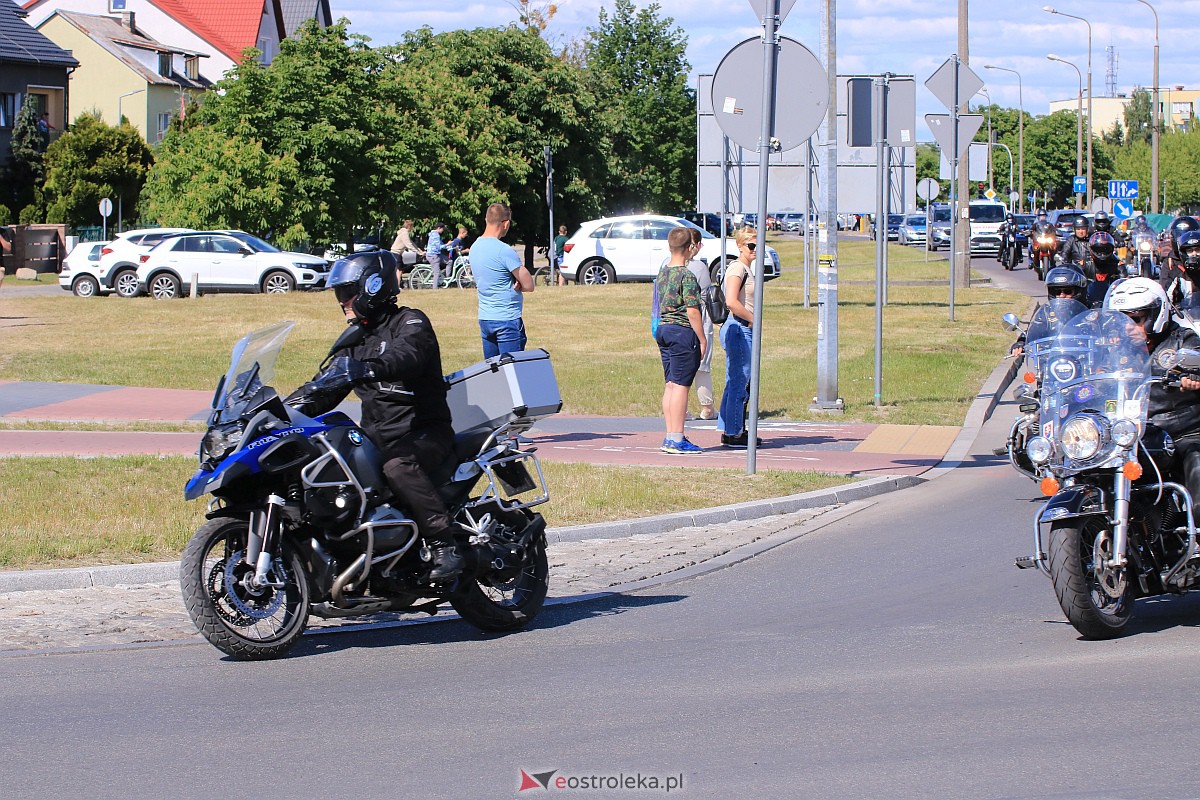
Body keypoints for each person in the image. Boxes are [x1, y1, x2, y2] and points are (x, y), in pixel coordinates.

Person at [285, 250, 463, 580]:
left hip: (424, 431)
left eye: (347, 292)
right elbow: (326, 389)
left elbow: (406, 356)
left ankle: (444, 545)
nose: (342, 301)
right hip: (377, 439)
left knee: (398, 467)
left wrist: (368, 368)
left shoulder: (411, 321)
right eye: (339, 294)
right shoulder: (354, 340)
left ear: (373, 286)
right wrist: (283, 410)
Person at [1106, 277, 1200, 519]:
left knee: (1198, 474)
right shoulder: (1112, 348)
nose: (1127, 326)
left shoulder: (1183, 339)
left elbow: (1196, 358)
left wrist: (1191, 374)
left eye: (1135, 319)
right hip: (1132, 433)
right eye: (1121, 319)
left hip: (1184, 431)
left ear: (1157, 314)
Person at [654, 226, 706, 454]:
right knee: (682, 386)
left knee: (671, 384)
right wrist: (702, 338)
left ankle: (669, 435)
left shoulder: (663, 272)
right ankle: (677, 438)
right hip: (682, 330)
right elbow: (693, 310)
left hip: (664, 328)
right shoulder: (687, 275)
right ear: (689, 248)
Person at [717, 227, 762, 449]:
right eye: (751, 245)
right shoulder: (737, 268)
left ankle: (730, 429)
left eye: (758, 245)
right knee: (740, 380)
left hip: (742, 326)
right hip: (738, 327)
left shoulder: (747, 268)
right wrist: (753, 319)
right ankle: (734, 433)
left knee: (737, 379)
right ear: (740, 246)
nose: (755, 249)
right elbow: (732, 302)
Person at [473, 202, 534, 358]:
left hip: (486, 318)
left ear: (486, 219)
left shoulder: (475, 247)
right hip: (506, 320)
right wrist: (518, 280)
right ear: (505, 223)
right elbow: (529, 284)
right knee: (513, 373)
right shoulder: (503, 250)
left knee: (493, 373)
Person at [682, 227, 716, 420]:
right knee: (702, 364)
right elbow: (705, 296)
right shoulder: (699, 268)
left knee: (679, 367)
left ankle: (682, 408)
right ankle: (707, 407)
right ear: (695, 245)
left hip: (674, 321)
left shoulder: (667, 267)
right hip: (698, 318)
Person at [1084, 232, 1120, 307]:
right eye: (1099, 249)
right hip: (1088, 302)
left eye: (1105, 249)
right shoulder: (1084, 263)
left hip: (1112, 302)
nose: (1102, 254)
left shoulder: (1117, 263)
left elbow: (1124, 281)